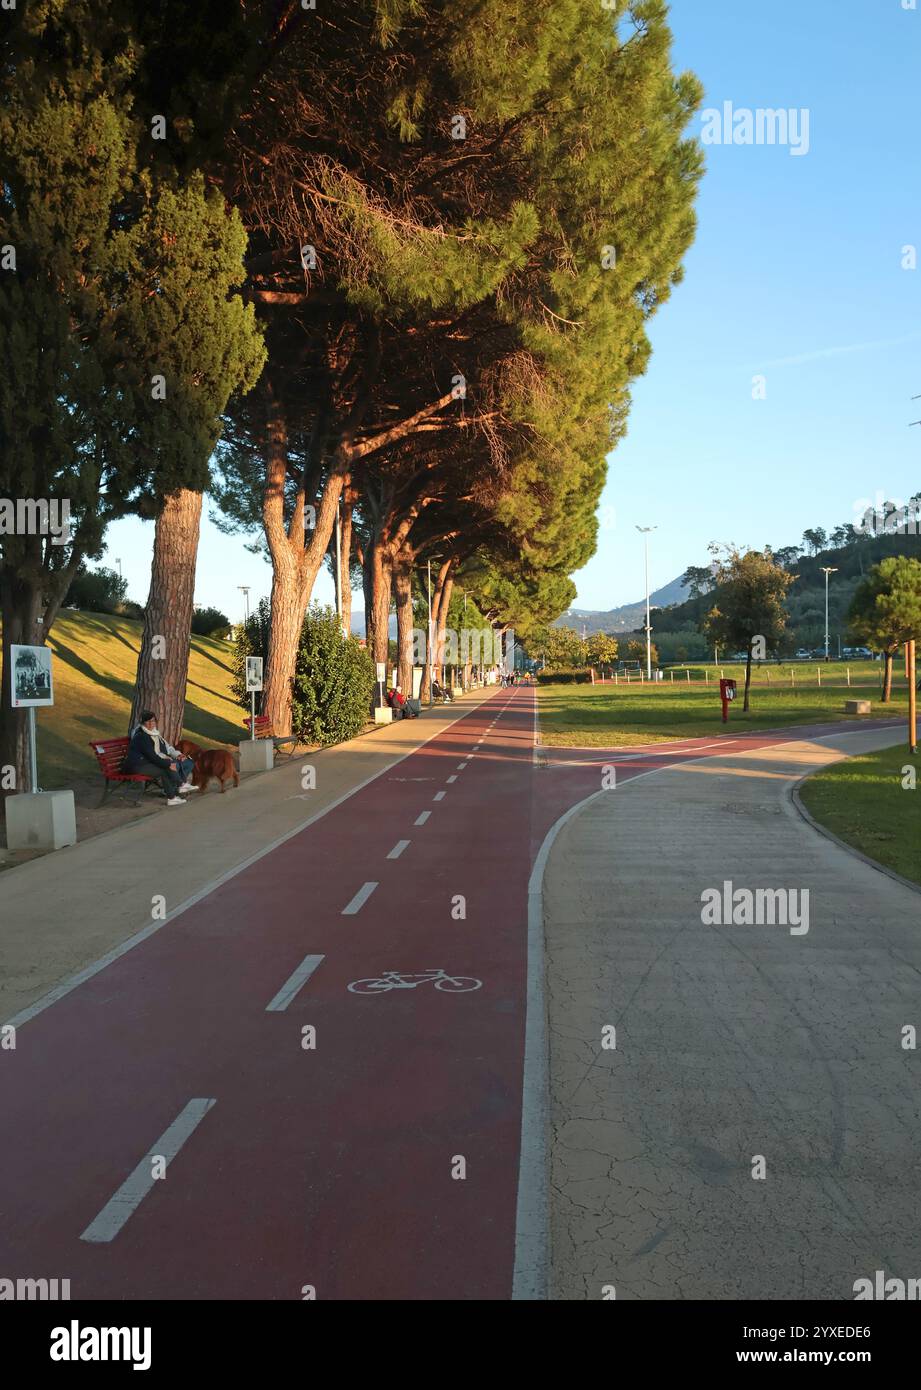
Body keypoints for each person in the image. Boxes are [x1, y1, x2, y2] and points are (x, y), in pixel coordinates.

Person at [123, 711, 196, 805]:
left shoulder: (153, 733)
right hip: (136, 766)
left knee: (173, 766)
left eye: (153, 721)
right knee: (165, 769)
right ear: (142, 723)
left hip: (145, 763)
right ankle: (178, 789)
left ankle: (175, 793)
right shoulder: (142, 736)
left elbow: (163, 749)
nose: (151, 724)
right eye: (148, 721)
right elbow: (152, 756)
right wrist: (168, 764)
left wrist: (174, 757)